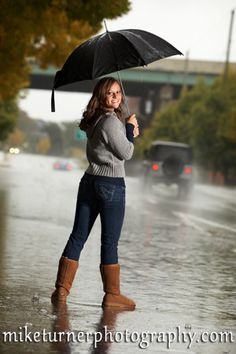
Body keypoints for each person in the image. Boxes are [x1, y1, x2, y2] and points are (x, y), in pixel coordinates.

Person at [51, 77, 139, 310]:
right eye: (110, 93)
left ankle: (61, 289)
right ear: (100, 96)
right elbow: (127, 153)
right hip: (111, 184)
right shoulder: (111, 121)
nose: (115, 97)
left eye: (118, 93)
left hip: (90, 181)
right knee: (109, 241)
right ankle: (112, 295)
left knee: (78, 236)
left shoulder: (95, 119)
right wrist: (130, 128)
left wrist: (127, 127)